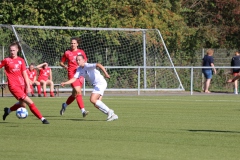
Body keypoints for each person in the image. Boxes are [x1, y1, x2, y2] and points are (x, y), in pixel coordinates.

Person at [0, 41, 49, 124]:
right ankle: (43, 119)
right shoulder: (6, 60)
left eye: (13, 50)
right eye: (11, 50)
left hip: (22, 85)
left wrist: (28, 86)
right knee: (30, 102)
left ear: (17, 50)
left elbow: (24, 74)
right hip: (13, 86)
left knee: (23, 105)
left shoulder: (21, 60)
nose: (12, 52)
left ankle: (8, 111)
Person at [61, 55, 118, 121]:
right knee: (96, 104)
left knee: (92, 99)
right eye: (77, 60)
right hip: (97, 85)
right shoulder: (79, 69)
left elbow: (98, 65)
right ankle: (113, 115)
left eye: (79, 59)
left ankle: (109, 111)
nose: (78, 61)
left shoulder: (87, 65)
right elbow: (74, 78)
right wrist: (65, 83)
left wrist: (106, 73)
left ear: (84, 60)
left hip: (100, 83)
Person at [59, 37, 88, 117]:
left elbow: (85, 61)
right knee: (78, 91)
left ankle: (65, 105)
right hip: (72, 74)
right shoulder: (67, 53)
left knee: (75, 94)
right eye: (71, 43)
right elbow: (61, 62)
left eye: (74, 43)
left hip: (80, 74)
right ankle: (83, 111)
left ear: (77, 44)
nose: (73, 44)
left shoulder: (81, 52)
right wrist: (65, 66)